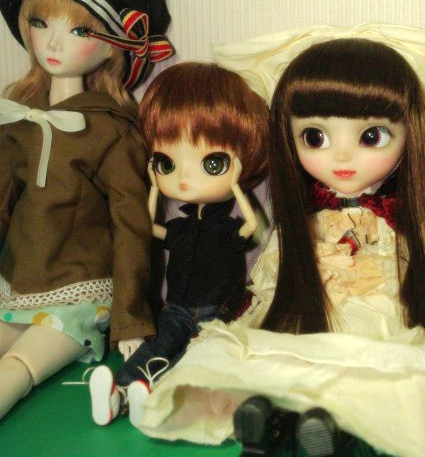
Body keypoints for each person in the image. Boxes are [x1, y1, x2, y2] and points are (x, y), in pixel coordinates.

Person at [133, 35, 425, 457]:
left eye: (371, 136)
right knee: (275, 354)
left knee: (371, 371)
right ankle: (271, 420)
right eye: (315, 137)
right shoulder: (301, 226)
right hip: (305, 307)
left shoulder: (399, 225)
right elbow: (268, 277)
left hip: (375, 308)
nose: (342, 157)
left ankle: (332, 429)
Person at [0, 0, 173, 420]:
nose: (53, 42)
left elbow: (131, 226)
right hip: (14, 285)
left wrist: (131, 318)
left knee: (17, 369)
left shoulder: (111, 131)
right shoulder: (18, 120)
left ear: (113, 46)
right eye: (40, 22)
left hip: (79, 296)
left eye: (79, 31)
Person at [88, 61, 269, 427]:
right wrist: (155, 187)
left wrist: (235, 184)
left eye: (211, 163)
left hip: (217, 312)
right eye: (167, 162)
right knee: (157, 347)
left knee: (195, 357)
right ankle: (120, 388)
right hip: (176, 308)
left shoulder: (226, 228)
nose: (185, 178)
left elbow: (252, 226)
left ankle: (156, 396)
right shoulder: (181, 226)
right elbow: (149, 229)